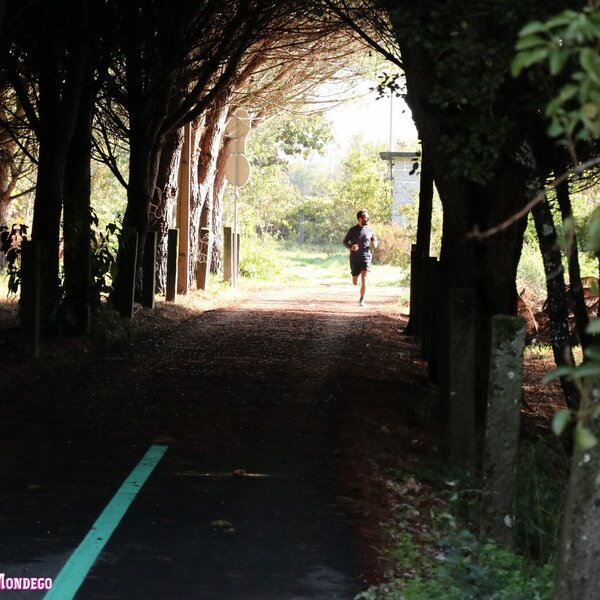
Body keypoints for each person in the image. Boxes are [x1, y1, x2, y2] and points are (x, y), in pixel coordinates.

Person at [343, 209, 378, 306]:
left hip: (366, 257)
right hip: (354, 258)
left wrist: (375, 243)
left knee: (364, 279)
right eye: (366, 218)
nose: (368, 219)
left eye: (368, 217)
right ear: (360, 219)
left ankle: (362, 299)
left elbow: (374, 239)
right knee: (355, 282)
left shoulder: (370, 230)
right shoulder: (352, 230)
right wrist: (351, 247)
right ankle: (356, 278)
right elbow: (345, 241)